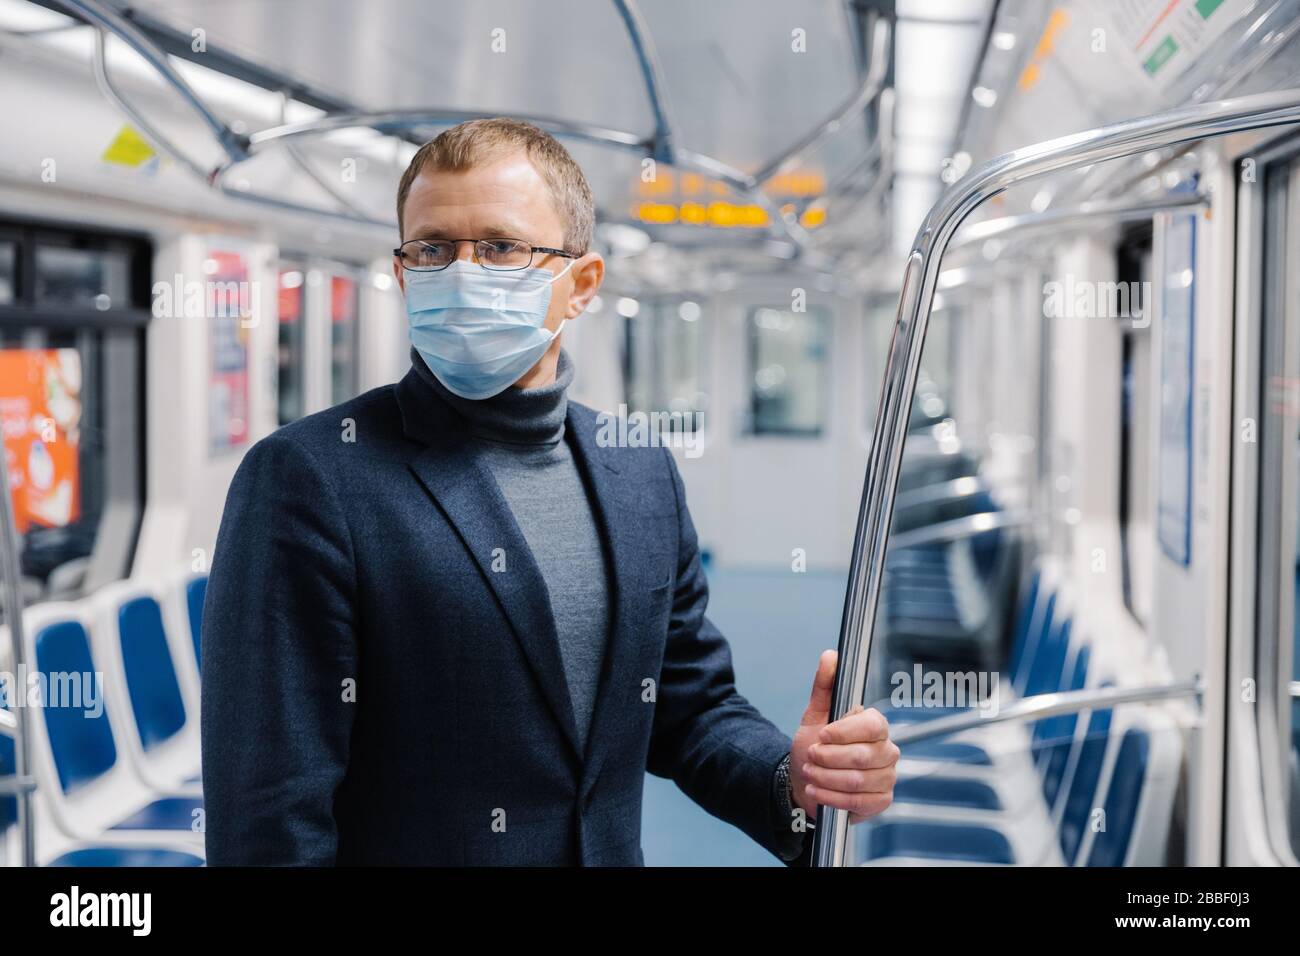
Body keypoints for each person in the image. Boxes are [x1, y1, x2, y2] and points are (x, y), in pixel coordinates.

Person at [201, 117, 898, 866]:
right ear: (403, 273)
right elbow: (268, 823)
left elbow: (688, 706)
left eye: (501, 247)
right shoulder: (310, 480)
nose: (462, 273)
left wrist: (791, 781)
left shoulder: (638, 469)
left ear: (582, 285)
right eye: (433, 248)